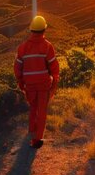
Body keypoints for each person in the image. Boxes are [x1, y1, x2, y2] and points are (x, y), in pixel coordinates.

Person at [13, 15, 60, 149]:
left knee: (33, 107)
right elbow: (54, 67)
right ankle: (37, 139)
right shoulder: (47, 46)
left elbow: (17, 68)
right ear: (44, 30)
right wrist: (54, 81)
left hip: (29, 85)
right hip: (44, 84)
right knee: (42, 110)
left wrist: (21, 82)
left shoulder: (22, 48)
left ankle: (31, 131)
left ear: (31, 30)